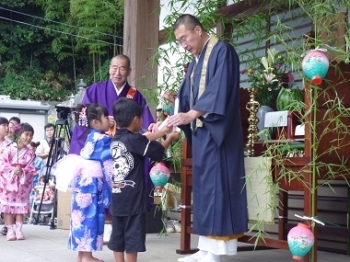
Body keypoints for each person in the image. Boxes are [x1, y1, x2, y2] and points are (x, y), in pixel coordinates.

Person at [167, 14, 248, 262]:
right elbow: (185, 98)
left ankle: (217, 252)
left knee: (219, 189)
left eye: (184, 38)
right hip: (203, 136)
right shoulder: (195, 62)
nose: (184, 45)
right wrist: (172, 118)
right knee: (204, 192)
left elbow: (220, 89)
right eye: (179, 42)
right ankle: (204, 248)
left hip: (219, 134)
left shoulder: (223, 50)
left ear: (199, 30)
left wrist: (191, 113)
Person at [108, 98, 179, 262]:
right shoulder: (135, 140)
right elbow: (159, 152)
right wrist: (170, 137)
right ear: (135, 119)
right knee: (132, 234)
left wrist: (161, 131)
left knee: (118, 233)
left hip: (118, 194)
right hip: (134, 197)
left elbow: (145, 137)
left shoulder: (117, 139)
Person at [55, 103, 114, 262]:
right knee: (90, 217)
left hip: (82, 183)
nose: (110, 119)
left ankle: (81, 255)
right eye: (106, 117)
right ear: (96, 122)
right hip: (92, 184)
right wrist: (114, 184)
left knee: (79, 217)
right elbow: (109, 165)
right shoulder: (103, 139)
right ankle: (88, 257)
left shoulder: (90, 136)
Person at [69, 54, 155, 155]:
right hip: (98, 148)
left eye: (122, 69)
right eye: (114, 68)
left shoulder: (135, 95)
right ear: (109, 69)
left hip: (125, 150)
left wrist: (153, 126)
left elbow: (145, 122)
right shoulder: (95, 90)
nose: (117, 73)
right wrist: (101, 121)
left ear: (129, 71)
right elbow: (83, 117)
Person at [0, 123, 36, 241]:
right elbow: (3, 165)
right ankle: (10, 230)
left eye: (31, 135)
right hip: (9, 183)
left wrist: (24, 171)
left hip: (22, 184)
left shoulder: (30, 153)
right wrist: (12, 170)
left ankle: (19, 230)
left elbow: (31, 168)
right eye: (26, 134)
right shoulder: (8, 149)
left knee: (20, 208)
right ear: (18, 134)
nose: (28, 138)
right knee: (8, 208)